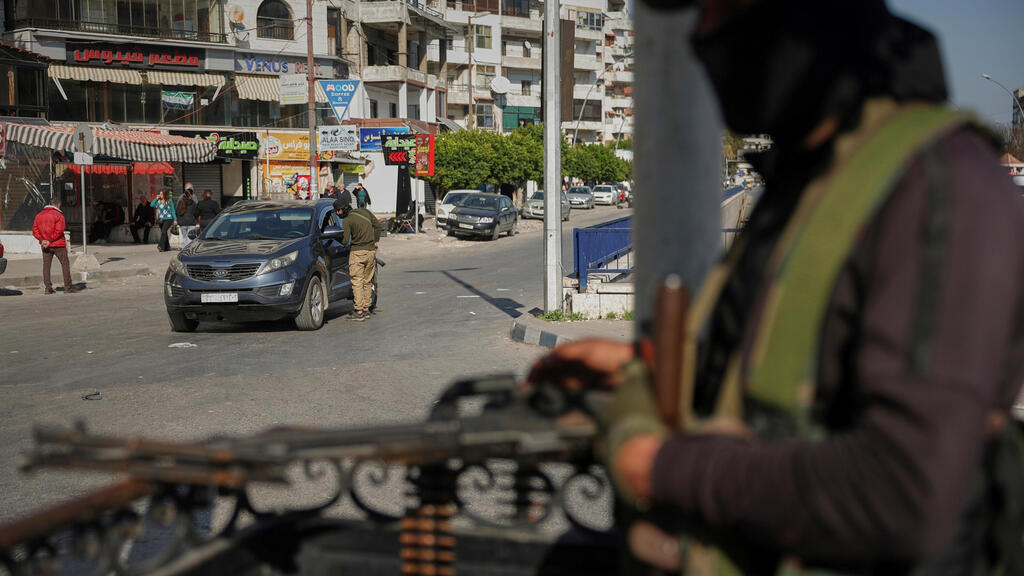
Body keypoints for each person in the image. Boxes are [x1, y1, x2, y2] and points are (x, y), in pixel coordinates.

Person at [529, 0, 1024, 573]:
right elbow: (794, 379)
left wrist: (662, 467)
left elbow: (903, 493)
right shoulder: (815, 173)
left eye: (722, 15)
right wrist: (649, 366)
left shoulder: (943, 186)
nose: (703, 40)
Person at [334, 191, 381, 322]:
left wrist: (336, 237)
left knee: (357, 282)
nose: (338, 213)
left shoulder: (348, 221)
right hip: (371, 252)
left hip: (357, 253)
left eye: (338, 210)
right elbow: (377, 225)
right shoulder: (364, 212)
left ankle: (359, 311)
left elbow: (344, 241)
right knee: (367, 281)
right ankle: (366, 309)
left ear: (344, 209)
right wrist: (375, 241)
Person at [32, 197, 78, 294]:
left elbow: (35, 231)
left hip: (45, 245)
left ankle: (48, 288)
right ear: (58, 204)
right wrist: (50, 240)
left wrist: (42, 240)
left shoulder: (38, 215)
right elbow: (59, 230)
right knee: (65, 264)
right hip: (58, 244)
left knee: (46, 266)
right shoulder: (59, 215)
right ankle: (68, 287)